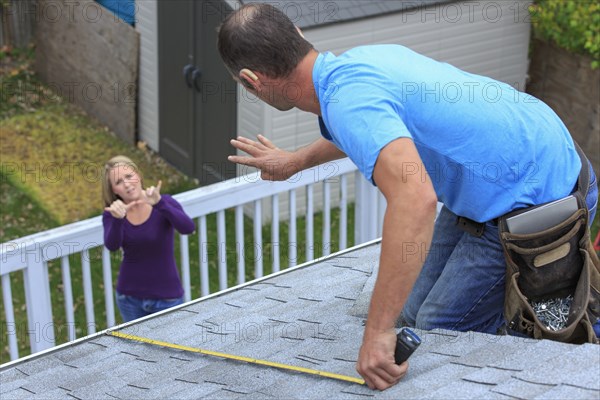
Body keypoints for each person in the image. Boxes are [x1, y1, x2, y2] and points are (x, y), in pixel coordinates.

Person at [217, 3, 598, 391]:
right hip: (510, 169)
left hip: (540, 194)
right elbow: (368, 130)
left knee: (439, 334)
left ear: (251, 81)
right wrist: (296, 161)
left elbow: (416, 200)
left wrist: (377, 334)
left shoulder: (348, 100)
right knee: (409, 313)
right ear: (298, 33)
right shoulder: (356, 65)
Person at [102, 156, 195, 322]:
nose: (127, 184)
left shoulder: (163, 202)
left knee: (172, 346)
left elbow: (188, 228)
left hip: (167, 298)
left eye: (129, 176)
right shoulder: (112, 213)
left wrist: (160, 204)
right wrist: (117, 219)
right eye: (118, 182)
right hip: (129, 298)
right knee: (135, 348)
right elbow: (112, 245)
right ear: (114, 190)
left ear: (138, 175)